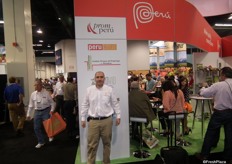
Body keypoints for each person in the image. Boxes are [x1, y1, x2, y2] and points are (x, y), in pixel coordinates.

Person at [81, 71, 121, 164]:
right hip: (93, 121)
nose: (99, 79)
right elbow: (85, 104)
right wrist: (83, 118)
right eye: (98, 77)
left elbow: (115, 103)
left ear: (104, 78)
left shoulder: (109, 90)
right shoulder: (89, 90)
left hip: (107, 121)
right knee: (91, 145)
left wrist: (118, 115)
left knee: (107, 144)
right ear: (95, 79)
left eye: (101, 77)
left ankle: (106, 162)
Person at [196, 67, 232, 163]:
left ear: (223, 74)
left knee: (210, 134)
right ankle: (228, 158)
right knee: (230, 136)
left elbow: (204, 93)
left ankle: (204, 155)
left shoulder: (218, 85)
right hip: (230, 113)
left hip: (219, 113)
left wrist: (203, 86)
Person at [26, 79, 56, 148]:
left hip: (46, 110)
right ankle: (41, 141)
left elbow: (52, 103)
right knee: (36, 128)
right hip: (37, 112)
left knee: (48, 126)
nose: (35, 86)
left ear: (40, 85)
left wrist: (51, 110)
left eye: (36, 85)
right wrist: (28, 114)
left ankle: (50, 135)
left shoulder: (46, 93)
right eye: (35, 85)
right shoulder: (33, 94)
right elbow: (30, 105)